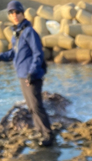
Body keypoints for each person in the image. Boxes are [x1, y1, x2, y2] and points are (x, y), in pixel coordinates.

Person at [0, 1, 53, 147]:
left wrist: (32, 72)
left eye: (17, 12)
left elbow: (38, 53)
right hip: (22, 76)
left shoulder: (29, 32)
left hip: (31, 76)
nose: (15, 15)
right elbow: (13, 53)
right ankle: (41, 132)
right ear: (9, 16)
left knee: (36, 107)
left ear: (22, 13)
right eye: (11, 13)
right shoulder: (16, 34)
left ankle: (48, 135)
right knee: (31, 107)